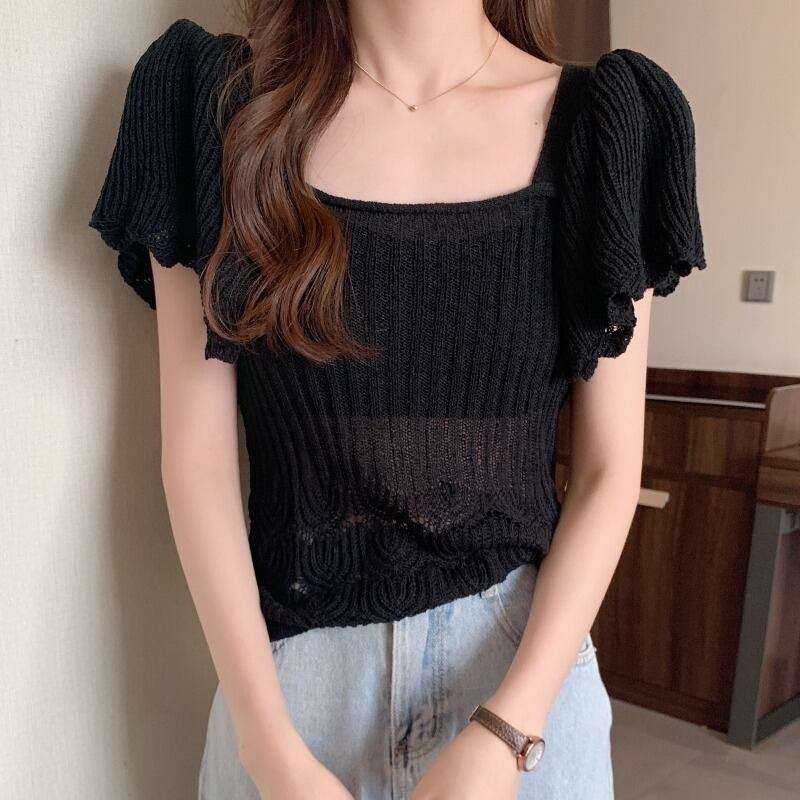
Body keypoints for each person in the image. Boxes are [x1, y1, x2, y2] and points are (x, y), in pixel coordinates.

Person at [87, 2, 706, 798]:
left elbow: (608, 470)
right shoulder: (215, 110)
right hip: (287, 696)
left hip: (521, 682)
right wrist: (268, 747)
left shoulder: (607, 126)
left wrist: (509, 727)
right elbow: (197, 462)